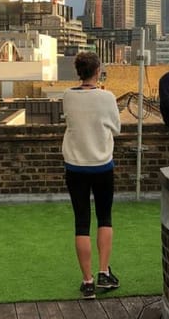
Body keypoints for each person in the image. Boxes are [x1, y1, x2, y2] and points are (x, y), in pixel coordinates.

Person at [61, 51, 121, 299]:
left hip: (75, 165)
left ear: (79, 72)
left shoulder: (67, 96)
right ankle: (103, 272)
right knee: (104, 218)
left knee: (81, 223)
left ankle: (87, 282)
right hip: (102, 165)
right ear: (98, 71)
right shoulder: (107, 97)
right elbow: (116, 127)